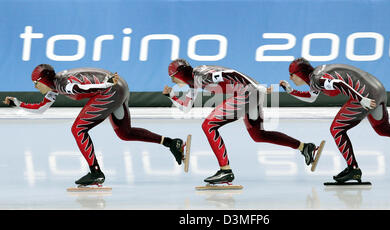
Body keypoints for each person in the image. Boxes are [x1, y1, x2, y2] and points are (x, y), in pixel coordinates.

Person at [3, 64, 187, 186]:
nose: (36, 87)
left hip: (110, 89)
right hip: (117, 87)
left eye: (36, 83)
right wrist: (18, 103)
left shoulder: (64, 84)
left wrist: (104, 84)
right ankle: (172, 143)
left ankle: (95, 173)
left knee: (78, 128)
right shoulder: (55, 86)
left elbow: (80, 88)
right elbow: (41, 109)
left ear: (43, 80)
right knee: (125, 133)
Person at [280, 57, 390, 183]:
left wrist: (361, 99)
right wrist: (290, 91)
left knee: (336, 129)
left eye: (291, 75)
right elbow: (310, 97)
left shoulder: (318, 79)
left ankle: (353, 169)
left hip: (366, 94)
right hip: (377, 88)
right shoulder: (315, 78)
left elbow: (339, 83)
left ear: (300, 74)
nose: (291, 78)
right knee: (383, 128)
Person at [163, 58, 322, 185]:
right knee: (258, 135)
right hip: (250, 94)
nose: (174, 82)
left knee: (208, 125)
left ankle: (225, 171)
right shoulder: (194, 81)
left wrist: (255, 87)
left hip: (247, 94)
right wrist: (172, 96)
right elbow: (186, 107)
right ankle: (305, 147)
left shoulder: (202, 75)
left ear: (180, 73)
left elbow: (230, 73)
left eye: (173, 78)